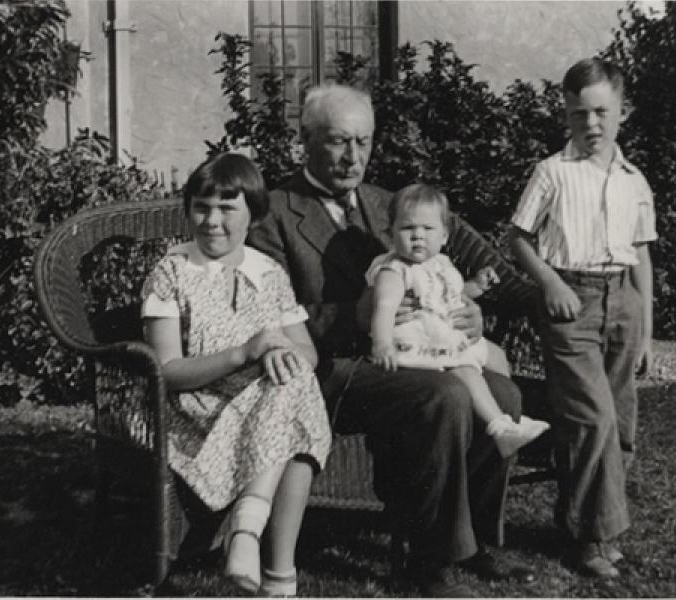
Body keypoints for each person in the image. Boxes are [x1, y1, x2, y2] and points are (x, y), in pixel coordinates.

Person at [248, 83, 537, 597]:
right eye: (339, 141)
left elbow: (442, 268)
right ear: (306, 140)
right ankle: (427, 560)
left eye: (363, 141)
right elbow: (266, 312)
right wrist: (353, 316)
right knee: (442, 396)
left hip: (413, 349)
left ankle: (470, 543)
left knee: (505, 396)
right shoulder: (273, 213)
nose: (353, 156)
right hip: (329, 368)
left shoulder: (390, 205)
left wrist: (467, 312)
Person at [141, 152, 332, 596]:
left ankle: (254, 544)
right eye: (201, 207)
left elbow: (307, 351)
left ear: (253, 214)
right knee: (296, 407)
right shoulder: (172, 272)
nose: (211, 221)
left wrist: (277, 353)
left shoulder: (270, 273)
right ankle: (265, 554)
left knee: (293, 379)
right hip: (196, 407)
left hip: (265, 404)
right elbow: (168, 371)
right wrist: (246, 353)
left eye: (227, 209)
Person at [507, 58, 656, 578]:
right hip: (572, 302)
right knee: (590, 419)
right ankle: (593, 536)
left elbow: (642, 256)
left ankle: (589, 527)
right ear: (565, 116)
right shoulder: (552, 172)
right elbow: (518, 238)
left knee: (620, 419)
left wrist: (646, 331)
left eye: (600, 112)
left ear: (622, 112)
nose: (590, 125)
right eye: (577, 115)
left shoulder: (635, 181)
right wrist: (550, 284)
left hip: (624, 302)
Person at [367, 183, 551, 458]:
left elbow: (449, 294)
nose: (418, 236)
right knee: (465, 370)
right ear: (391, 234)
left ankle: (510, 415)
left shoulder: (440, 264)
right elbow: (383, 306)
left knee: (497, 356)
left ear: (444, 236)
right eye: (408, 229)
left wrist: (476, 286)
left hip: (445, 331)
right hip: (421, 340)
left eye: (427, 229)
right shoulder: (394, 270)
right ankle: (499, 428)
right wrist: (381, 343)